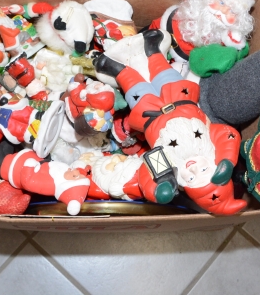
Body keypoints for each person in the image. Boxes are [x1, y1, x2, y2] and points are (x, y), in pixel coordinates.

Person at [94, 30, 247, 215]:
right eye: (203, 169)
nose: (193, 168)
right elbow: (228, 135)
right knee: (164, 74)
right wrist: (227, 160)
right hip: (179, 97)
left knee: (135, 89)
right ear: (215, 164)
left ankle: (117, 69)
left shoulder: (170, 166)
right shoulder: (210, 145)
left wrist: (158, 188)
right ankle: (153, 50)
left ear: (182, 185)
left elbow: (145, 173)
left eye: (191, 179)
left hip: (150, 114)